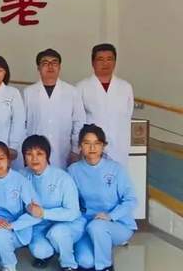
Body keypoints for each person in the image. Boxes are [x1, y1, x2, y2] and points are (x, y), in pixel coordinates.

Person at [68, 124, 137, 271]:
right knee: (85, 262)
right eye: (87, 143)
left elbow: (131, 199)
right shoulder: (73, 171)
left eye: (97, 143)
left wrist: (110, 216)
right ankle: (100, 245)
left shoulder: (116, 169)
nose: (92, 148)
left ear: (103, 146)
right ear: (80, 146)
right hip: (87, 224)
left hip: (117, 224)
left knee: (98, 227)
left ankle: (105, 266)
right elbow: (70, 201)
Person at [0, 140, 41, 271]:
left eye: (1, 158)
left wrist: (12, 225)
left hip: (15, 230)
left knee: (0, 234)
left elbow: (37, 213)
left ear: (9, 160)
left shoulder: (20, 180)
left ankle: (9, 265)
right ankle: (3, 251)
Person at [22, 135, 85, 271]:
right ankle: (58, 248)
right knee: (40, 251)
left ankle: (69, 264)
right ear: (24, 157)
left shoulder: (62, 178)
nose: (34, 158)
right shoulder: (22, 176)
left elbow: (73, 212)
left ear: (47, 155)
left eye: (39, 153)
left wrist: (43, 213)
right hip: (40, 226)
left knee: (58, 233)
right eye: (29, 154)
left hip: (68, 224)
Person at [23, 49, 85, 169]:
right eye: (45, 63)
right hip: (35, 152)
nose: (50, 66)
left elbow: (79, 122)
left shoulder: (72, 92)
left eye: (54, 63)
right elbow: (22, 124)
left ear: (59, 67)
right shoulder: (28, 92)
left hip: (64, 152)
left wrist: (75, 150)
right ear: (38, 68)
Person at [76, 44, 134, 166]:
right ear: (93, 63)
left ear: (115, 62)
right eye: (100, 59)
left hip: (119, 147)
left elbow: (127, 115)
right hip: (92, 147)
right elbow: (78, 120)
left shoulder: (125, 87)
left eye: (109, 59)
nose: (105, 63)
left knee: (116, 175)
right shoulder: (82, 87)